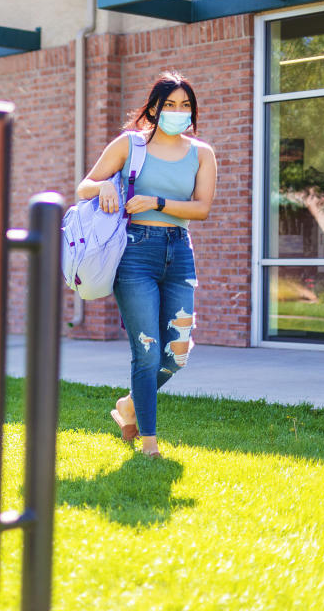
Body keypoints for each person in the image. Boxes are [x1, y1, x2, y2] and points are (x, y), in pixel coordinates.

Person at [76, 71, 217, 458]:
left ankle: (128, 404)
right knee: (148, 350)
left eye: (184, 105)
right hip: (135, 253)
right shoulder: (130, 145)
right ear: (154, 109)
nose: (177, 111)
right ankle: (149, 445)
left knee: (178, 353)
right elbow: (83, 187)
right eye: (169, 105)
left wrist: (156, 202)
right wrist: (104, 185)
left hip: (179, 251)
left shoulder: (201, 152)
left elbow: (201, 208)